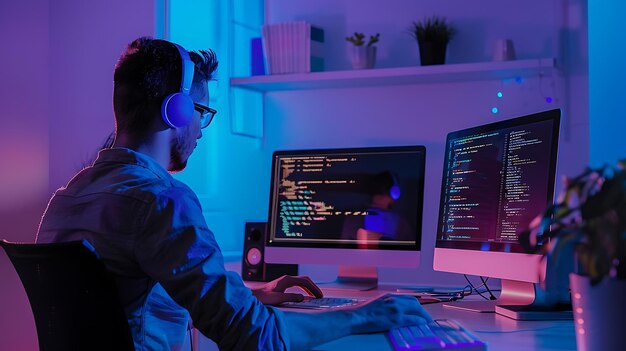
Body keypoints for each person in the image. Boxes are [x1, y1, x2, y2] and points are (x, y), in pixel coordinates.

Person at [36, 37, 432, 351]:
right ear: (176, 111)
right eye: (202, 112)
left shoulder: (65, 199)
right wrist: (366, 315)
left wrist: (251, 296)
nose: (202, 129)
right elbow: (259, 340)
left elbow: (130, 308)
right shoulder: (161, 201)